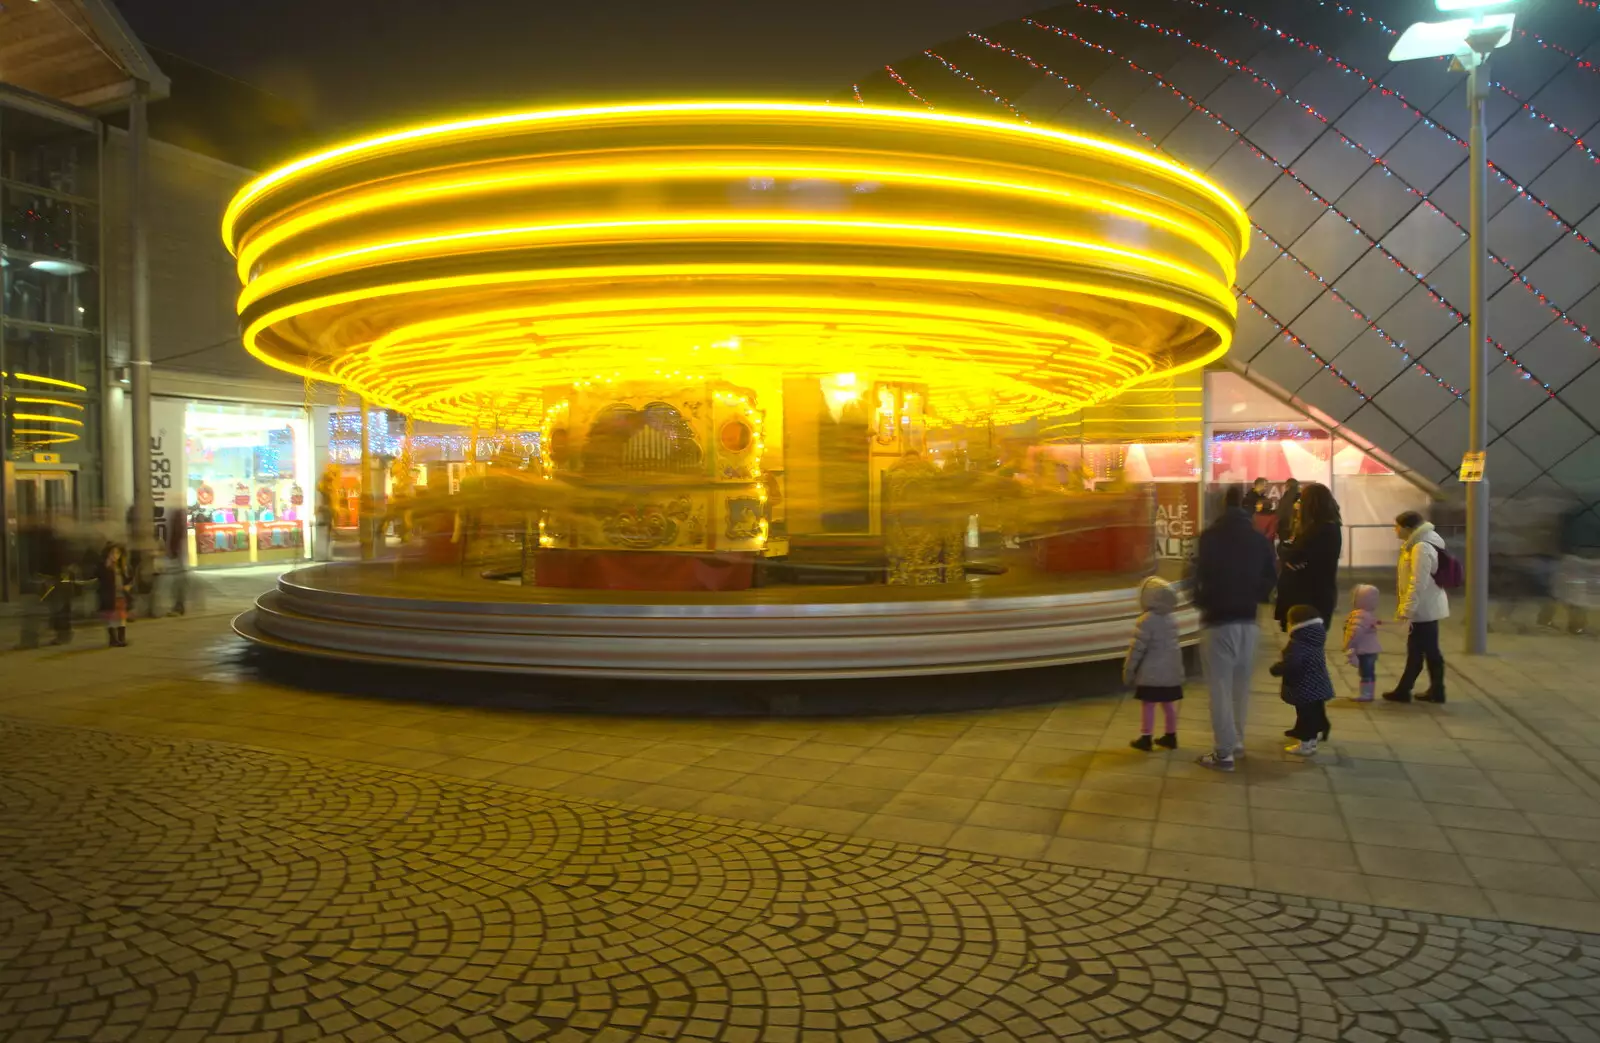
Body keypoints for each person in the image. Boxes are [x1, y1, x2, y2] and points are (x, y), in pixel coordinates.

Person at [1193, 485, 1278, 772]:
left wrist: (1202, 601)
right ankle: (1237, 742)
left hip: (1217, 620)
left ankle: (1223, 752)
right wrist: (1255, 595)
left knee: (1219, 688)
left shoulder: (1210, 538)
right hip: (1248, 620)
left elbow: (1198, 574)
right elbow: (1271, 576)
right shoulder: (1258, 540)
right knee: (1241, 688)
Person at [1383, 511, 1450, 703]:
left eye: (1397, 526)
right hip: (1426, 606)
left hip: (1424, 608)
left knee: (1426, 650)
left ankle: (1430, 690)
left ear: (1408, 528)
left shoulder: (1421, 547)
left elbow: (1418, 582)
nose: (1395, 530)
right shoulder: (1418, 543)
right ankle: (1410, 689)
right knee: (1419, 650)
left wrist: (1407, 610)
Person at [1124, 576, 1184, 751]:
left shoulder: (1146, 620)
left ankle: (1146, 737)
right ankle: (1171, 736)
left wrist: (1129, 670)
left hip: (1151, 673)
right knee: (1168, 705)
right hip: (1170, 672)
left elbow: (1137, 648)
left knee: (1148, 705)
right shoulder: (1172, 619)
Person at [1274, 482, 1342, 631]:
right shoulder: (1323, 527)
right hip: (1312, 596)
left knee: (1305, 643)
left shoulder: (1321, 530)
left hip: (1309, 598)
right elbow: (1293, 553)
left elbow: (1295, 555)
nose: (1298, 504)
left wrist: (1285, 551)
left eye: (1302, 500)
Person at [1271, 604, 1336, 756]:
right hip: (1317, 684)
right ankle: (1310, 732)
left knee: (1306, 715)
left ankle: (1307, 744)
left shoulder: (1298, 643)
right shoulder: (1313, 638)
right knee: (1314, 712)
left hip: (1305, 686)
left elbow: (1293, 663)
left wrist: (1277, 669)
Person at [1342, 583, 1381, 703]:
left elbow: (1355, 632)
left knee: (1365, 672)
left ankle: (1366, 694)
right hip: (1371, 649)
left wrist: (1348, 645)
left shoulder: (1359, 615)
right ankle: (1368, 693)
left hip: (1364, 650)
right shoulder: (1367, 614)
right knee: (1369, 672)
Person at [96, 542, 133, 648]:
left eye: (117, 553)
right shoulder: (104, 567)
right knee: (111, 617)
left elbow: (128, 579)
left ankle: (121, 638)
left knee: (122, 617)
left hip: (121, 595)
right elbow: (99, 578)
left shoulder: (122, 567)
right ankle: (113, 639)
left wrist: (128, 586)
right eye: (113, 553)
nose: (115, 556)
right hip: (109, 596)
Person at [1274, 478, 1300, 551]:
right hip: (1296, 529)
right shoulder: (1300, 498)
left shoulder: (1284, 499)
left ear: (1287, 487)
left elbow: (1279, 514)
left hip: (1284, 528)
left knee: (1284, 548)